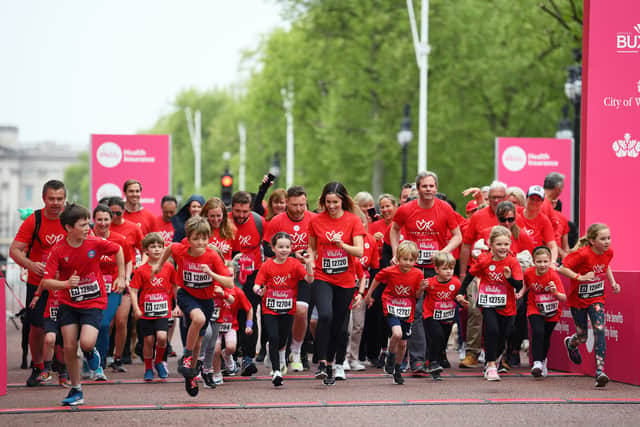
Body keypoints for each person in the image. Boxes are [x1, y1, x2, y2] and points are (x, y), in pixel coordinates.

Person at [42, 203, 126, 406]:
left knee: (86, 343)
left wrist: (122, 276)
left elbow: (118, 249)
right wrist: (65, 284)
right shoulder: (59, 250)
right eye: (82, 224)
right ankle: (76, 389)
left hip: (94, 300)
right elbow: (46, 281)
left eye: (88, 223)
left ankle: (90, 352)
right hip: (68, 303)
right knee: (69, 346)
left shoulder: (94, 242)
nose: (88, 227)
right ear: (69, 228)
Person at [389, 171, 462, 375]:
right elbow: (394, 229)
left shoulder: (445, 208)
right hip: (413, 267)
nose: (428, 189)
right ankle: (418, 360)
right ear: (418, 189)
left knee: (440, 311)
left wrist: (443, 253)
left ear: (436, 188)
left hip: (435, 267)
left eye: (431, 186)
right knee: (418, 311)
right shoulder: (407, 209)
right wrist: (397, 253)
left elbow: (458, 236)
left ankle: (435, 356)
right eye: (424, 186)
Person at [153, 216, 233, 396]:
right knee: (199, 319)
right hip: (186, 295)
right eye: (196, 238)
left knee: (199, 342)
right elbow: (169, 248)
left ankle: (191, 375)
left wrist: (211, 273)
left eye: (204, 238)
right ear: (188, 239)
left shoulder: (212, 256)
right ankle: (186, 357)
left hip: (206, 300)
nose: (200, 242)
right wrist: (159, 265)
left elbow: (229, 282)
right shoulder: (181, 250)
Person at [10, 179, 67, 387]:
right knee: (36, 327)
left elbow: (90, 244)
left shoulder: (71, 218)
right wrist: (30, 264)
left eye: (59, 199)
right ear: (44, 198)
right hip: (38, 284)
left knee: (66, 326)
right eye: (51, 198)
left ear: (65, 199)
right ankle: (38, 367)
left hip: (66, 285)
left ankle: (63, 366)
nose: (55, 203)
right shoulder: (34, 220)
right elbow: (14, 250)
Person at [309, 182, 365, 385]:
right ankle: (322, 362)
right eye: (327, 202)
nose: (331, 206)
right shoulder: (316, 220)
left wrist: (343, 246)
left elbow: (359, 251)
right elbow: (313, 248)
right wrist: (308, 258)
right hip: (322, 276)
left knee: (340, 326)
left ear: (343, 201)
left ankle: (335, 362)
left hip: (346, 279)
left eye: (335, 202)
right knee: (325, 315)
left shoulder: (353, 220)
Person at [456, 226, 523, 382]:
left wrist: (509, 278)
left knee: (505, 334)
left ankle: (494, 358)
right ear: (490, 244)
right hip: (488, 302)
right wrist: (460, 292)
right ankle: (491, 365)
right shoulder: (484, 260)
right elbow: (470, 275)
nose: (503, 248)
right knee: (492, 330)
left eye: (506, 244)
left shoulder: (512, 262)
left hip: (507, 305)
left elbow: (519, 286)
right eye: (499, 244)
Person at [558, 223, 621, 388]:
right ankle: (571, 343)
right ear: (592, 241)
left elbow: (605, 266)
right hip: (578, 300)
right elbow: (562, 268)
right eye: (603, 238)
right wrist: (580, 277)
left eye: (609, 238)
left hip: (597, 298)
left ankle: (600, 372)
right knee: (583, 336)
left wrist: (613, 282)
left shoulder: (609, 252)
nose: (607, 241)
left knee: (600, 329)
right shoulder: (583, 254)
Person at [263, 186, 315, 371]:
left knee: (301, 311)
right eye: (294, 205)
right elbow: (268, 248)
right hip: (281, 276)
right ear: (287, 203)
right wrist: (292, 253)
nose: (299, 209)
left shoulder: (313, 219)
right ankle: (279, 354)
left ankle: (297, 350)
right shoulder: (277, 221)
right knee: (283, 317)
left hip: (303, 273)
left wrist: (309, 257)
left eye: (302, 205)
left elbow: (318, 245)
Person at [253, 232, 314, 386]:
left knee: (282, 339)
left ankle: (274, 354)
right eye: (280, 247)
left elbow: (309, 279)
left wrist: (307, 263)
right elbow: (257, 284)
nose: (284, 250)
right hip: (270, 309)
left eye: (287, 247)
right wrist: (258, 290)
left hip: (288, 308)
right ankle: (277, 371)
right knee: (273, 337)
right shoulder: (267, 265)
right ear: (273, 248)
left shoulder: (294, 264)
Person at [458, 180, 507, 368]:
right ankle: (472, 352)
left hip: (504, 275)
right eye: (492, 197)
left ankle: (500, 355)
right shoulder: (478, 216)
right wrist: (463, 274)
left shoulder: (511, 215)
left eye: (499, 197)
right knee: (474, 310)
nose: (495, 201)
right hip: (479, 273)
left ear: (506, 197)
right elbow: (467, 245)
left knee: (503, 315)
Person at [365, 241, 426, 385]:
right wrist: (369, 295)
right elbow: (377, 278)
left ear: (415, 260)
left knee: (403, 344)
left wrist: (422, 288)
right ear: (398, 258)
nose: (408, 263)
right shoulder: (390, 271)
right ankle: (390, 357)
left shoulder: (418, 274)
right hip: (391, 305)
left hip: (407, 309)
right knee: (396, 334)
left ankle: (397, 369)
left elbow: (416, 296)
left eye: (411, 260)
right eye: (405, 259)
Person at [129, 232, 179, 382]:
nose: (157, 249)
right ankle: (148, 367)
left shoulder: (169, 267)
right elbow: (133, 290)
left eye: (160, 246)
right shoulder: (141, 270)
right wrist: (136, 308)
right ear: (146, 250)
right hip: (145, 313)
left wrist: (178, 306)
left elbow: (176, 286)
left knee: (162, 337)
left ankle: (159, 361)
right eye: (153, 246)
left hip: (163, 311)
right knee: (149, 341)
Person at [92, 204, 132, 381]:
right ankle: (89, 359)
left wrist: (124, 278)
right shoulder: (87, 239)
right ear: (93, 220)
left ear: (111, 220)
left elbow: (129, 260)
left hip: (113, 288)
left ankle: (99, 366)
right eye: (99, 219)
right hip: (91, 289)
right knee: (90, 326)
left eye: (106, 219)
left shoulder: (120, 240)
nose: (102, 223)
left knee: (103, 324)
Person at [515, 246, 566, 379]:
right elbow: (527, 284)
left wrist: (554, 292)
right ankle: (537, 363)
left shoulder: (553, 276)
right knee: (537, 332)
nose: (542, 265)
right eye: (539, 262)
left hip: (552, 310)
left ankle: (543, 361)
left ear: (550, 261)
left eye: (545, 262)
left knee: (545, 337)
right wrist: (521, 292)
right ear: (533, 262)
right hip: (534, 307)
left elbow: (564, 298)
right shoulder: (529, 272)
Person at [230, 191, 265, 377]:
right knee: (232, 312)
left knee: (250, 311)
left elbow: (268, 246)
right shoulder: (224, 221)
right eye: (238, 211)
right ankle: (232, 356)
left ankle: (249, 357)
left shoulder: (259, 222)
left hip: (254, 273)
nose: (241, 215)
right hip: (231, 274)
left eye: (245, 211)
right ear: (232, 208)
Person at [106, 197, 143, 372]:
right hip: (104, 283)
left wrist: (136, 271)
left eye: (118, 213)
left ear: (123, 212)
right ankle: (101, 355)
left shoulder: (132, 228)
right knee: (108, 323)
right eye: (110, 213)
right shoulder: (101, 229)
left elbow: (144, 251)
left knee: (122, 321)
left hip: (126, 280)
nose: (114, 216)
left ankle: (118, 358)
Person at [423, 252, 464, 380]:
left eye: (451, 268)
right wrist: (420, 288)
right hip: (430, 315)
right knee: (437, 335)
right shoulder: (430, 283)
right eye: (445, 269)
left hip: (447, 316)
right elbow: (417, 294)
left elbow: (460, 298)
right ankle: (432, 362)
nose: (448, 272)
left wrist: (461, 300)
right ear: (436, 269)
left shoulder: (456, 283)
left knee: (442, 340)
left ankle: (436, 363)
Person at [516, 185, 558, 262]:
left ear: (542, 202)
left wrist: (552, 262)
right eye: (532, 199)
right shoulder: (516, 213)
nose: (534, 202)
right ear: (526, 199)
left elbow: (552, 246)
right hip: (515, 257)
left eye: (538, 200)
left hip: (534, 260)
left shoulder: (544, 220)